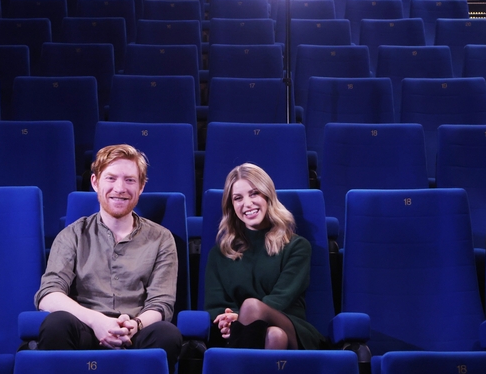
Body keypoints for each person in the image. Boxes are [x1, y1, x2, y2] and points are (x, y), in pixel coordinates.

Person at [34, 144, 183, 371]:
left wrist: (135, 324)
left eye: (130, 180)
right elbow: (48, 295)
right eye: (111, 178)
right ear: (95, 182)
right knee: (56, 324)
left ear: (141, 186)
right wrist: (97, 321)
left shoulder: (162, 239)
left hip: (135, 332)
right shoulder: (72, 234)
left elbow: (161, 303)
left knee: (167, 334)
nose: (120, 188)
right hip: (84, 327)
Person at [204, 163, 326, 350]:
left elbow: (281, 298)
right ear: (231, 206)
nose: (247, 203)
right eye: (238, 198)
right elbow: (215, 306)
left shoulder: (297, 247)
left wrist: (242, 315)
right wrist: (229, 320)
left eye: (254, 193)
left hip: (291, 326)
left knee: (253, 308)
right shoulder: (220, 254)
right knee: (274, 336)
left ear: (267, 195)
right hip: (239, 332)